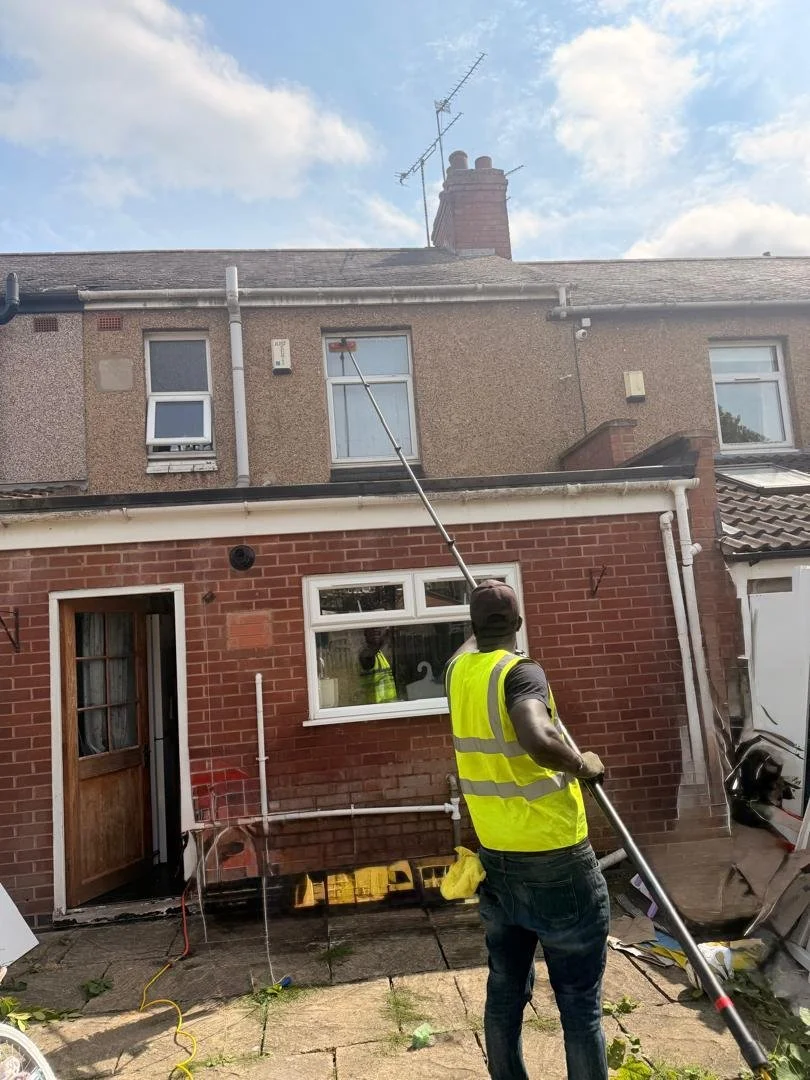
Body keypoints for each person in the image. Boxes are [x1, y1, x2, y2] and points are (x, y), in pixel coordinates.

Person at [445, 580, 609, 1080]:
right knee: (579, 1005)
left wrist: (477, 619)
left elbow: (467, 646)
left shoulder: (458, 673)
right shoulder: (520, 673)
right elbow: (537, 737)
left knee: (505, 991)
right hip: (555, 857)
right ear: (518, 624)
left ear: (471, 627)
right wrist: (583, 764)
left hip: (497, 858)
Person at [358, 627, 398, 704]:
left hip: (388, 706)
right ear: (365, 633)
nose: (375, 629)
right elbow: (374, 649)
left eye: (378, 627)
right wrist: (388, 632)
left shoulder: (379, 654)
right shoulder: (364, 654)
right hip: (374, 708)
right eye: (372, 628)